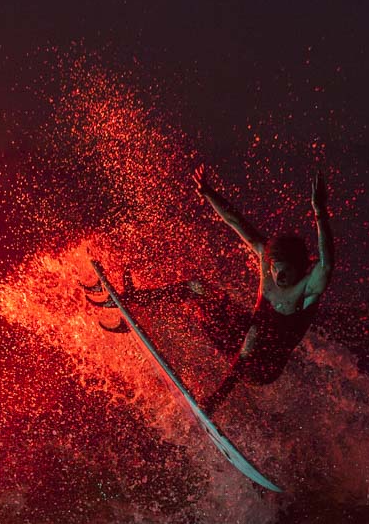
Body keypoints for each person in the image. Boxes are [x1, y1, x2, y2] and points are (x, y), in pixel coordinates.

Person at [138, 166, 334, 414]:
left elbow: (327, 265)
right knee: (198, 289)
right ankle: (137, 300)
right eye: (276, 270)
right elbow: (235, 221)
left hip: (262, 369)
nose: (279, 277)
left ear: (301, 268)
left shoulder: (308, 289)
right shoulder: (267, 261)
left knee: (253, 331)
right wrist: (208, 193)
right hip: (238, 342)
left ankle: (215, 401)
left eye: (286, 272)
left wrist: (320, 213)